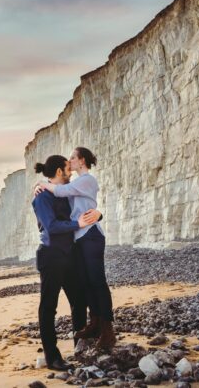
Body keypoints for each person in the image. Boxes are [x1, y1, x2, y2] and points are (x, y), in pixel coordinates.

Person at [35, 147, 115, 352]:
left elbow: (64, 193)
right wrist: (41, 187)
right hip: (74, 241)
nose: (69, 163)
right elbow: (68, 208)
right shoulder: (71, 185)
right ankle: (94, 325)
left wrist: (42, 184)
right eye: (67, 161)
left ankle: (107, 330)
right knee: (87, 283)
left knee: (96, 282)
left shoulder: (85, 180)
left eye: (72, 158)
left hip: (89, 236)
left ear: (81, 161)